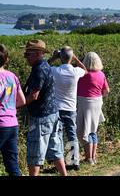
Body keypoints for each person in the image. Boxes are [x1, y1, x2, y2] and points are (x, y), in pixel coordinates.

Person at [22, 40, 67, 176]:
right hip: (53, 114)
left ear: (37, 54)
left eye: (28, 54)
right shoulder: (45, 65)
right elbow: (48, 61)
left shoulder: (38, 70)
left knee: (35, 154)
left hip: (40, 117)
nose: (25, 57)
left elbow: (34, 95)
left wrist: (16, 105)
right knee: (56, 150)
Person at [49, 46, 87, 170]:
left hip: (57, 108)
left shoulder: (56, 71)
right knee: (72, 135)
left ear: (60, 58)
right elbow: (85, 70)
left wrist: (54, 57)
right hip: (71, 108)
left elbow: (43, 67)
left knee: (58, 135)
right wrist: (74, 57)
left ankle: (59, 162)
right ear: (71, 58)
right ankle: (74, 161)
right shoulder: (75, 72)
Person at [77, 52, 109, 165]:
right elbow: (106, 91)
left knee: (83, 131)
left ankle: (88, 157)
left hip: (85, 102)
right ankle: (93, 156)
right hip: (97, 102)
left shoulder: (83, 74)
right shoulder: (101, 74)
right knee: (93, 130)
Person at [0, 44, 26, 176]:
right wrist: (8, 108)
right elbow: (22, 101)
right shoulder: (12, 77)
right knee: (12, 165)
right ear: (6, 60)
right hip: (12, 124)